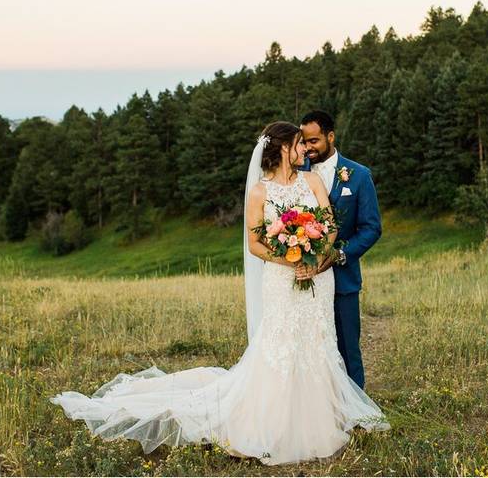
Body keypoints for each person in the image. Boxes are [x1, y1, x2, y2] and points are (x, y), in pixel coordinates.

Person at [49, 121, 389, 466]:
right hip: (281, 280)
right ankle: (274, 424)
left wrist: (315, 257)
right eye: (299, 144)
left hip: (317, 277)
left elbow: (329, 225)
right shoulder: (260, 192)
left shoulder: (312, 181)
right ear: (283, 148)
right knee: (282, 345)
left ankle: (323, 421)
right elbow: (256, 244)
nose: (305, 150)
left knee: (317, 341)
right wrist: (289, 258)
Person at [299, 110, 382, 390]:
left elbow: (371, 228)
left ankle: (357, 412)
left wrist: (340, 253)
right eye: (304, 141)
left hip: (343, 280)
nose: (308, 148)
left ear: (330, 137)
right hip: (304, 280)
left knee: (348, 349)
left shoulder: (358, 176)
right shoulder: (295, 176)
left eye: (314, 141)